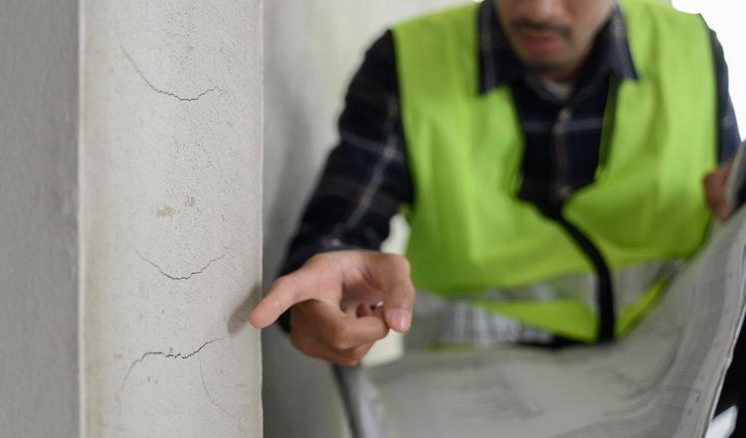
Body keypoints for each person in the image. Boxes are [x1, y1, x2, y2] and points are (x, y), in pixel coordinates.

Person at [251, 0, 744, 433]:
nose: (540, 9)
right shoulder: (407, 62)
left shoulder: (692, 50)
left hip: (668, 381)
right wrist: (317, 296)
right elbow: (335, 237)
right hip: (474, 404)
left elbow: (727, 214)